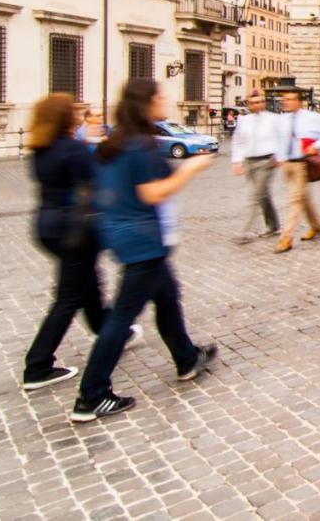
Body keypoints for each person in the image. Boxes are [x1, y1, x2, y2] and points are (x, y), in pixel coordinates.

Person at [71, 79, 215, 422]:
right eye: (160, 96)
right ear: (147, 103)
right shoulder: (140, 146)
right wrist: (191, 168)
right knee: (122, 317)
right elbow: (152, 193)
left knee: (168, 296)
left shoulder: (116, 142)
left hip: (126, 235)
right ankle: (91, 395)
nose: (166, 100)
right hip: (143, 240)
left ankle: (186, 358)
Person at [22, 94, 141, 392]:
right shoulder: (72, 150)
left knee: (87, 283)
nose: (79, 115)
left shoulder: (40, 148)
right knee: (68, 298)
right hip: (73, 230)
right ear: (63, 117)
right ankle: (38, 365)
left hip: (46, 226)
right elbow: (95, 186)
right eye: (74, 112)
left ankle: (110, 330)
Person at [274, 89, 320, 254]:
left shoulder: (311, 118)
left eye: (291, 99)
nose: (287, 102)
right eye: (285, 99)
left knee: (295, 201)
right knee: (303, 198)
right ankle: (316, 227)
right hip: (287, 164)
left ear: (299, 102)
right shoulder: (282, 119)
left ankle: (286, 239)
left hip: (302, 164)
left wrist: (315, 146)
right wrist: (278, 157)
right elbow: (279, 140)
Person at [230, 90, 282, 242]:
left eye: (259, 102)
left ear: (264, 103)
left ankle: (244, 233)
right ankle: (274, 225)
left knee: (254, 196)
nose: (257, 105)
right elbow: (238, 141)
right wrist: (237, 161)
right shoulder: (243, 121)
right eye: (253, 103)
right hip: (249, 162)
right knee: (263, 195)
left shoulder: (274, 119)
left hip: (266, 162)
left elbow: (283, 138)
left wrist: (279, 155)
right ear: (249, 105)